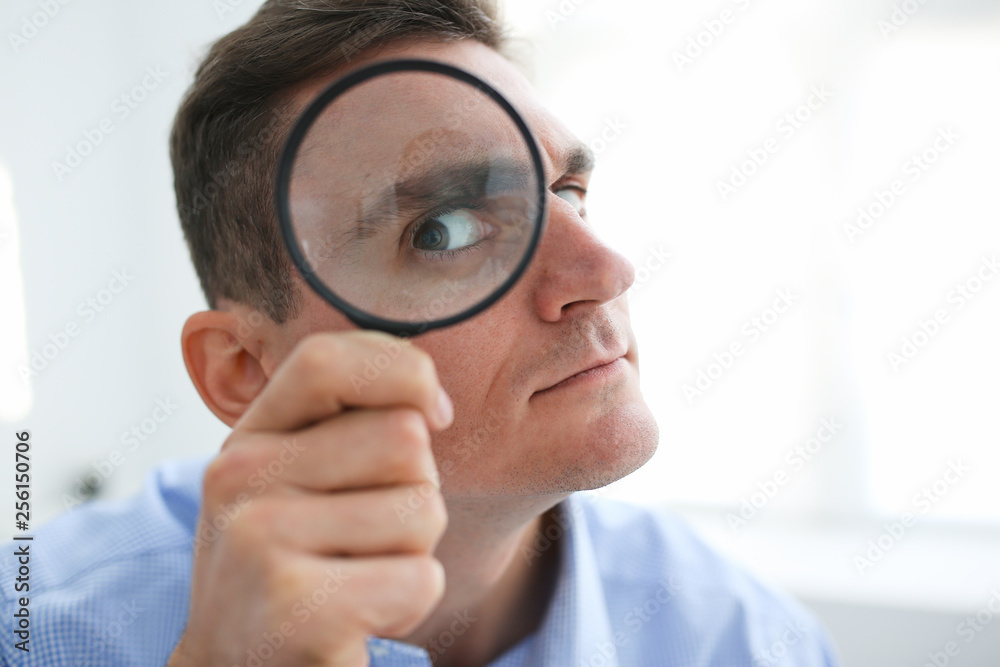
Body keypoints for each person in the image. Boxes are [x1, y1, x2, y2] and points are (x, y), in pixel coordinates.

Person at [0, 1, 840, 665]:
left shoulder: (748, 641)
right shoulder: (31, 629)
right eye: (444, 229)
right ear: (247, 370)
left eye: (569, 193)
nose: (605, 270)